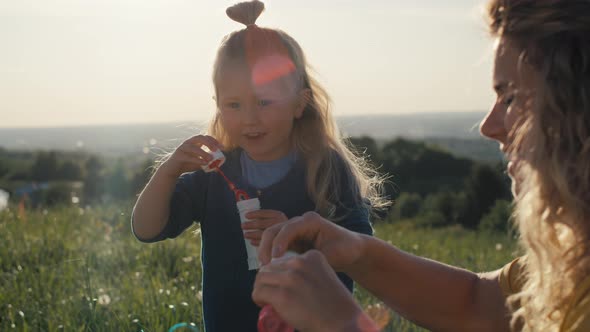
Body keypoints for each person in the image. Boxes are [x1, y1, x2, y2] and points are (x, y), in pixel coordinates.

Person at [252, 0, 590, 331]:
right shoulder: (573, 257)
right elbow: (479, 303)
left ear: (576, 104)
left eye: (511, 97)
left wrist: (340, 323)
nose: (489, 126)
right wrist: (358, 253)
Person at [131, 1, 387, 331]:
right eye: (234, 104)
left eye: (264, 102)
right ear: (217, 105)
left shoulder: (325, 169)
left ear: (299, 103)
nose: (250, 118)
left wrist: (299, 240)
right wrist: (168, 171)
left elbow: (360, 252)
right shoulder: (215, 173)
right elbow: (147, 229)